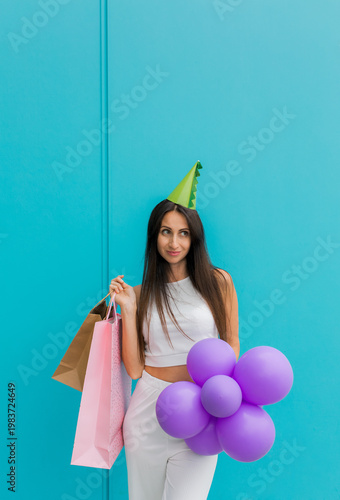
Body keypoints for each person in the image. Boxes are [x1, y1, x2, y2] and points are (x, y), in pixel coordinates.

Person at [109, 164, 239, 500]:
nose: (174, 242)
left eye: (183, 233)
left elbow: (231, 343)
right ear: (155, 236)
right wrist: (129, 306)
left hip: (202, 411)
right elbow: (135, 369)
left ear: (194, 237)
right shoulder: (138, 294)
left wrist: (221, 394)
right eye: (166, 231)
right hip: (149, 414)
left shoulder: (219, 282)